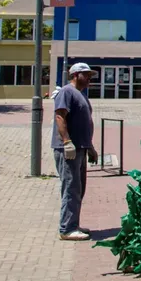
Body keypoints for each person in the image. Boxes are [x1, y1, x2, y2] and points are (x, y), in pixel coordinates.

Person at [51, 62, 99, 241]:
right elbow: (60, 116)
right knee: (71, 188)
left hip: (81, 148)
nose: (89, 78)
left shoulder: (81, 95)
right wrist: (67, 142)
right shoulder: (66, 92)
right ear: (75, 75)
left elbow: (87, 122)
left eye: (90, 75)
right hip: (69, 150)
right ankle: (67, 228)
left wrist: (90, 147)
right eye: (85, 75)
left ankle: (73, 224)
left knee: (79, 189)